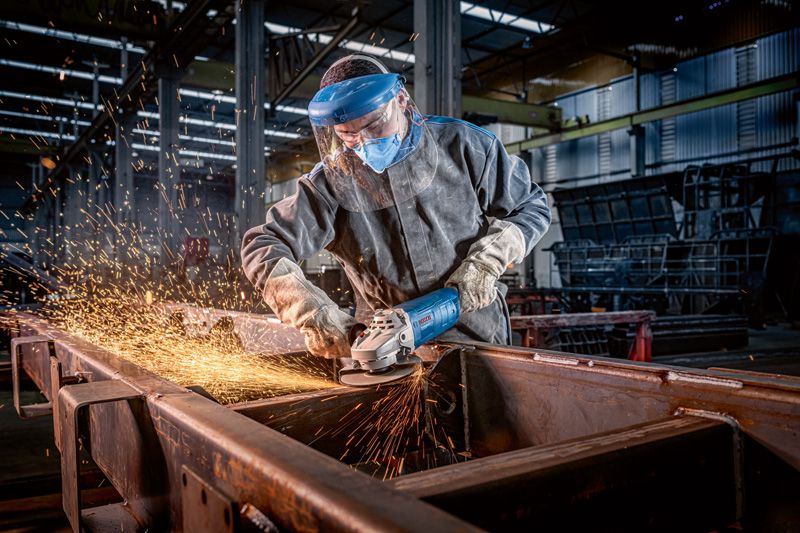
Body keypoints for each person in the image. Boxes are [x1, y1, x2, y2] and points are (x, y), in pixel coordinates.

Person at [241, 54, 551, 357]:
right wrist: (312, 313)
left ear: (400, 100)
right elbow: (263, 245)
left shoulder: (463, 145)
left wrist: (487, 262)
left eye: (375, 126)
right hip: (385, 349)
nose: (364, 144)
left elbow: (530, 206)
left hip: (477, 336)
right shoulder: (330, 184)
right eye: (348, 136)